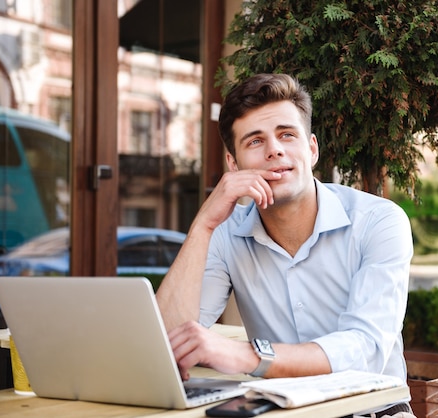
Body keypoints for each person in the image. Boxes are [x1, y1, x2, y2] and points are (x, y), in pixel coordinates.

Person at [156, 73, 415, 417]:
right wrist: (203, 225)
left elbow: (365, 348)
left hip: (372, 412)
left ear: (311, 149)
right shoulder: (224, 234)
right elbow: (165, 348)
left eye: (287, 135)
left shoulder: (379, 221)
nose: (274, 149)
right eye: (254, 141)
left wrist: (249, 355)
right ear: (233, 165)